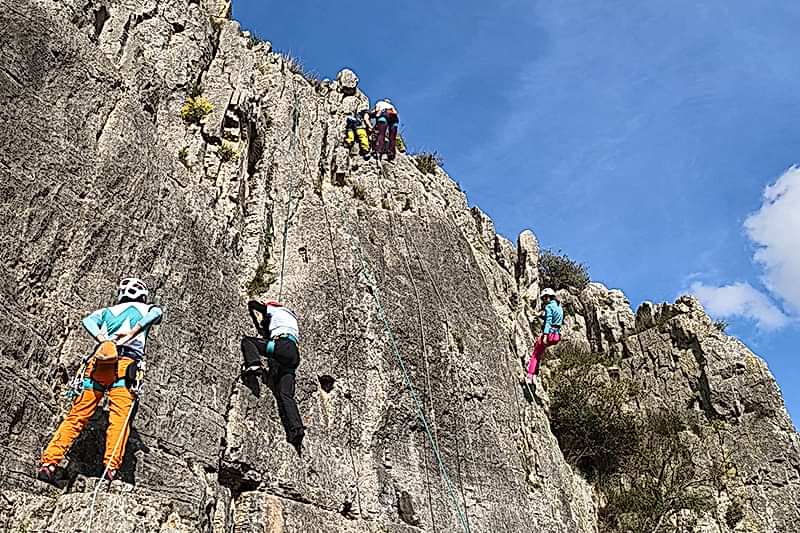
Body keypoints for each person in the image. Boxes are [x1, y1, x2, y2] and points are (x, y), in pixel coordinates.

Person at [38, 277, 163, 484]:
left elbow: (87, 321)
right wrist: (132, 333)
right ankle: (111, 469)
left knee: (77, 415)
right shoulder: (147, 308)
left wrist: (103, 339)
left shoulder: (106, 312)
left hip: (99, 363)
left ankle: (49, 462)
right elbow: (157, 313)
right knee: (119, 417)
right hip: (126, 367)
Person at [241, 299, 305, 448]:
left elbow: (254, 305)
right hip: (293, 355)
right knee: (285, 394)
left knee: (248, 341)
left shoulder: (275, 310)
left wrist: (257, 305)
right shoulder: (291, 317)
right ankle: (296, 429)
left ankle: (254, 364)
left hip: (282, 346)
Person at [525, 288, 563, 386]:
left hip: (549, 334)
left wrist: (545, 336)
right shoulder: (559, 306)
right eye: (543, 299)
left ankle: (529, 376)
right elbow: (553, 318)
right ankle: (535, 375)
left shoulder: (548, 307)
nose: (544, 300)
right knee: (539, 353)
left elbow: (548, 322)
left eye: (545, 298)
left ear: (549, 297)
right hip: (556, 336)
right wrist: (539, 315)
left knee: (535, 354)